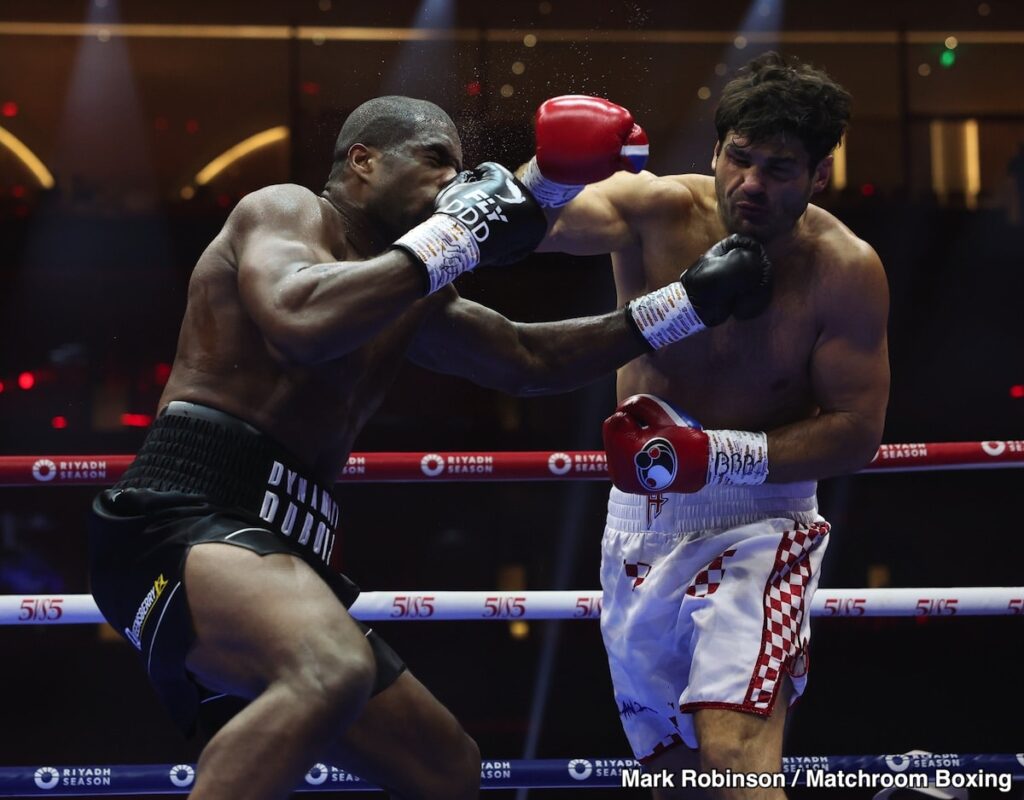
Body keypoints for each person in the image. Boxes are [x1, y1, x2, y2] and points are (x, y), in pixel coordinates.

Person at [87, 95, 772, 800]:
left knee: (444, 767)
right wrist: (456, 234)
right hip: (181, 516)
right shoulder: (288, 211)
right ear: (363, 161)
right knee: (330, 671)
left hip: (278, 542)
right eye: (436, 158)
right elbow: (300, 317)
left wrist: (680, 306)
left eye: (464, 168)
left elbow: (524, 358)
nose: (455, 180)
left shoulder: (402, 291)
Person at [520, 54, 890, 798]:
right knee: (678, 777)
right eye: (739, 159)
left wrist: (713, 457)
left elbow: (855, 430)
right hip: (641, 521)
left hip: (762, 521)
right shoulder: (655, 210)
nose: (750, 184)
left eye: (779, 168)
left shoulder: (843, 268)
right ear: (715, 152)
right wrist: (548, 171)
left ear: (819, 175)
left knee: (733, 748)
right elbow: (532, 228)